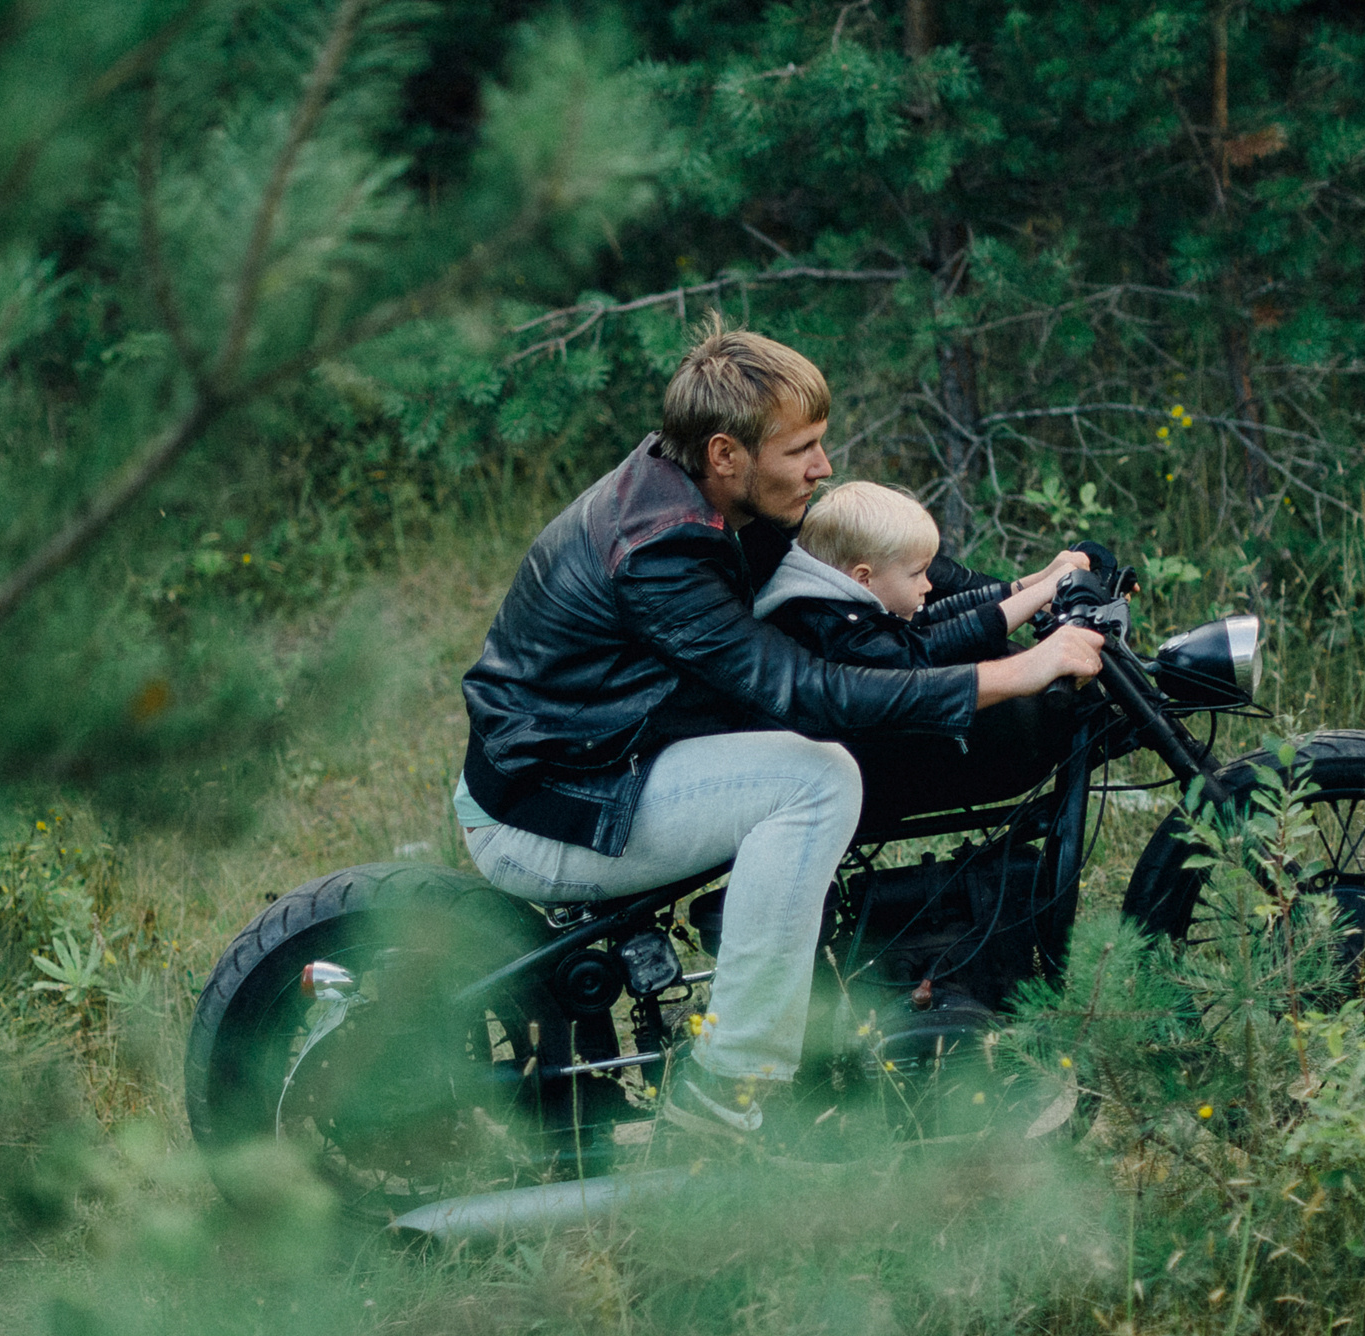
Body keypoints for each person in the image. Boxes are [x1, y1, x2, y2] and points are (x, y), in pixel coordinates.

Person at [454, 318, 1105, 1143]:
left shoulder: (717, 496)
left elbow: (867, 568)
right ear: (726, 453)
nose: (823, 466)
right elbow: (805, 692)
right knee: (816, 777)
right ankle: (727, 1093)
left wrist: (1029, 587)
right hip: (551, 808)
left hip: (603, 764)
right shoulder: (660, 552)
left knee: (823, 761)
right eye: (801, 449)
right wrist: (1017, 672)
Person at [755, 479, 1088, 670]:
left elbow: (928, 618)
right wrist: (1040, 592)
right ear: (863, 578)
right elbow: (921, 648)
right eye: (916, 574)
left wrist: (1031, 586)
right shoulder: (824, 627)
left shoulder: (831, 593)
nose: (927, 585)